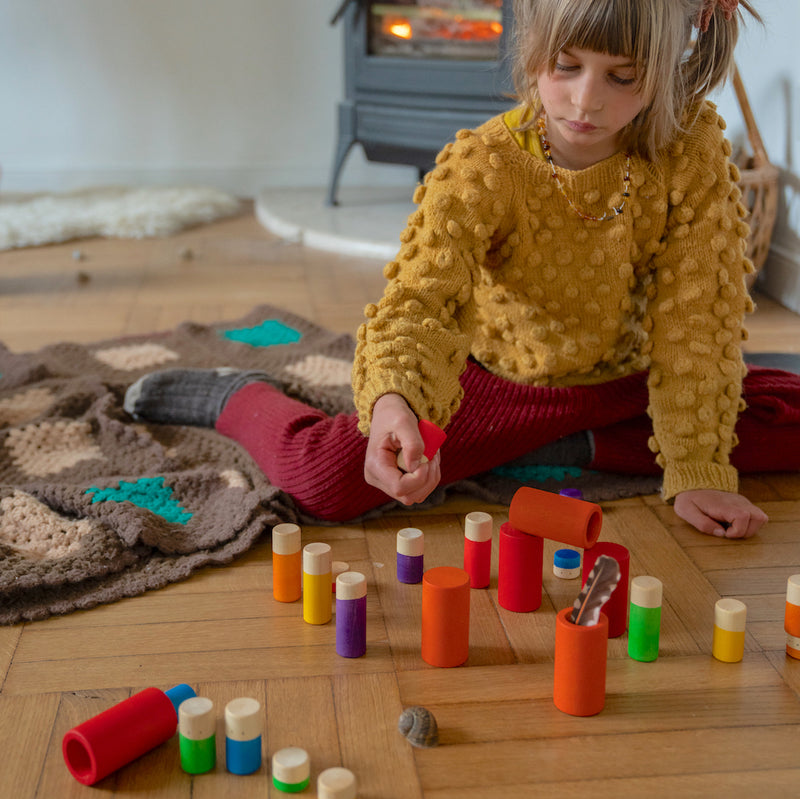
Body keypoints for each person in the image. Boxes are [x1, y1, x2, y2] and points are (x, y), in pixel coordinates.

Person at [125, 0, 800, 538]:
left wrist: (698, 467)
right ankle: (238, 395)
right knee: (326, 477)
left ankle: (568, 445)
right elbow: (419, 304)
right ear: (534, 51)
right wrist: (395, 401)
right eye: (566, 66)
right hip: (500, 382)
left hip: (628, 378)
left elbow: (696, 324)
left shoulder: (693, 151)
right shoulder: (485, 162)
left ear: (665, 64)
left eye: (622, 76)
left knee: (776, 422)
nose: (586, 100)